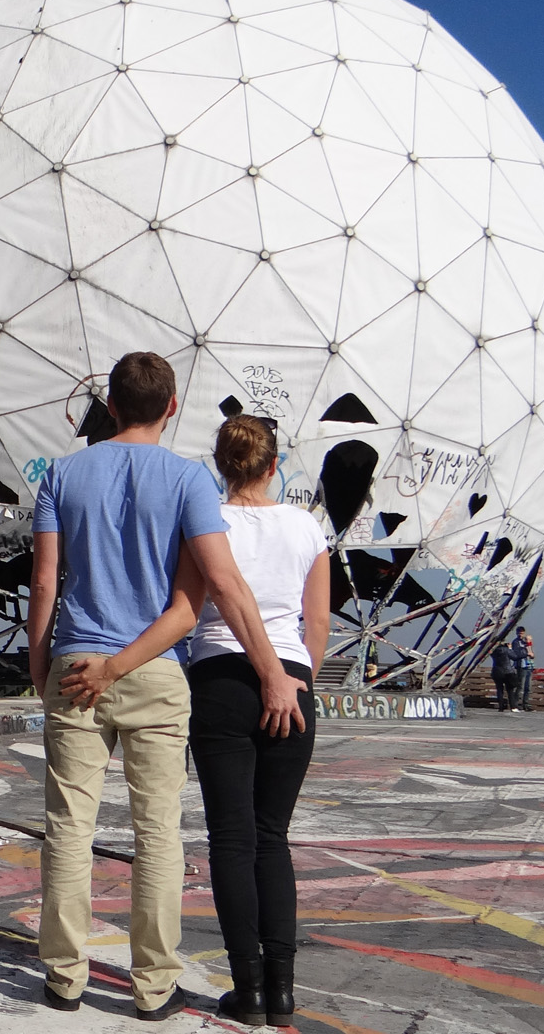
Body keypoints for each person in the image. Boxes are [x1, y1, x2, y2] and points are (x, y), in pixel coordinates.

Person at [28, 352, 291, 1022]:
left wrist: (40, 666)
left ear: (109, 405)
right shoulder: (188, 480)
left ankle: (63, 976)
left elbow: (45, 583)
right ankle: (152, 987)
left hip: (78, 662)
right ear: (171, 406)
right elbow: (222, 587)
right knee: (158, 834)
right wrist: (272, 671)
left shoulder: (62, 473)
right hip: (156, 671)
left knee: (68, 825)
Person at [176, 415, 328, 1028]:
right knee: (273, 837)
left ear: (220, 465)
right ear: (273, 467)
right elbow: (315, 624)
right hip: (291, 680)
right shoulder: (305, 526)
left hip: (218, 682)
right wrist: (295, 685)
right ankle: (284, 989)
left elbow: (188, 607)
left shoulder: (206, 520)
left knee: (231, 841)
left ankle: (248, 989)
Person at [511, 626, 536, 711]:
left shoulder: (526, 643)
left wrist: (529, 644)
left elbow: (532, 654)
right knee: (520, 686)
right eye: (519, 633)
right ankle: (515, 704)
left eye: (522, 633)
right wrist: (527, 654)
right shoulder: (516, 642)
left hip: (529, 665)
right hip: (521, 666)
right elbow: (516, 654)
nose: (521, 635)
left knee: (528, 687)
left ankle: (526, 704)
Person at [491, 640, 517, 712]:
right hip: (507, 672)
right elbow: (514, 657)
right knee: (510, 690)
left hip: (497, 671)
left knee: (499, 689)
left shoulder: (494, 651)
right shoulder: (506, 650)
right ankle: (513, 706)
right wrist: (510, 648)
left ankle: (501, 706)